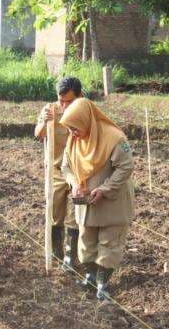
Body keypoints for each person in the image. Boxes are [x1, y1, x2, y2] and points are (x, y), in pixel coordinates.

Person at [60, 98, 134, 301]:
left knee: (109, 243)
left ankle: (103, 283)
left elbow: (125, 167)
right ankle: (90, 278)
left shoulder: (114, 138)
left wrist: (104, 188)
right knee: (86, 241)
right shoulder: (73, 140)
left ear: (85, 121)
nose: (72, 133)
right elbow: (66, 167)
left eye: (75, 128)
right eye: (70, 129)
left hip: (112, 203)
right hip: (86, 204)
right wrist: (74, 183)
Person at [34, 77, 83, 272]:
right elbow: (39, 134)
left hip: (79, 172)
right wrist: (46, 122)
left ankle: (71, 259)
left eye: (68, 101)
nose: (63, 105)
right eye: (60, 100)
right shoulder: (50, 109)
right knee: (55, 214)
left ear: (79, 96)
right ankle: (56, 253)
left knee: (75, 215)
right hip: (55, 171)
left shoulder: (86, 111)